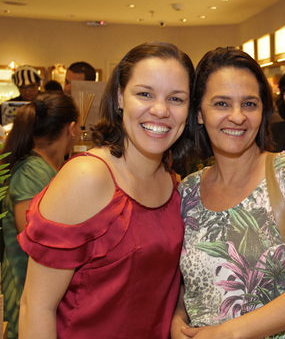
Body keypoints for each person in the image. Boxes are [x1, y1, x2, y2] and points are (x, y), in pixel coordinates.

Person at [18, 42, 193, 338]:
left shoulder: (172, 181)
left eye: (176, 98)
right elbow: (35, 306)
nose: (161, 110)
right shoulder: (87, 177)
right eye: (145, 94)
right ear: (119, 97)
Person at [172, 47, 285, 339]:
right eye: (221, 103)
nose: (237, 117)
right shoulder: (187, 192)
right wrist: (178, 320)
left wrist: (229, 332)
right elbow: (190, 285)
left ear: (263, 111)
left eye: (249, 104)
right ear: (199, 114)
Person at [1, 92, 80, 339]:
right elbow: (34, 240)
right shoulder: (31, 172)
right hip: (26, 289)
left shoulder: (46, 169)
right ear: (72, 129)